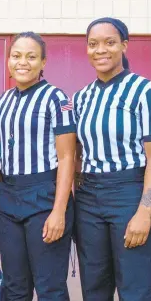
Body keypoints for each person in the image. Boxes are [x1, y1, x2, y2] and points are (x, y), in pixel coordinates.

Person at [73, 17, 151, 301]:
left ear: (124, 46)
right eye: (93, 44)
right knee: (94, 284)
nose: (100, 50)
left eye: (109, 42)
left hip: (129, 192)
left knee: (135, 285)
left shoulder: (143, 91)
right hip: (88, 198)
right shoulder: (81, 97)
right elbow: (78, 153)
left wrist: (145, 211)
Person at [0, 32, 76, 301]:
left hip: (44, 197)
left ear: (43, 62)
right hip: (8, 199)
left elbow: (67, 157)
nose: (23, 62)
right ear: (9, 60)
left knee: (49, 287)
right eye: (16, 56)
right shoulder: (4, 100)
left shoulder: (56, 98)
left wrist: (59, 211)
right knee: (15, 287)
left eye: (31, 57)